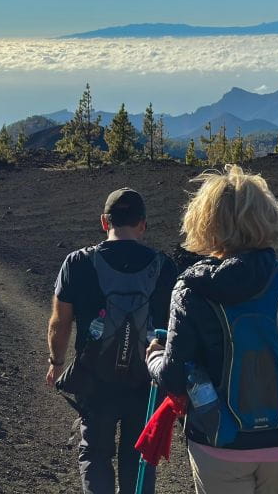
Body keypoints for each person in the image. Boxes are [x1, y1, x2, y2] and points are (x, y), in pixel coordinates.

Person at [146, 165, 278, 494]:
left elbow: (175, 378)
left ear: (205, 222)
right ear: (269, 218)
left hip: (218, 441)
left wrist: (154, 357)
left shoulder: (191, 289)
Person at [45, 188, 177, 494]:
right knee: (140, 457)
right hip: (146, 382)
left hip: (95, 380)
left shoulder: (77, 263)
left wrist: (56, 362)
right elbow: (176, 326)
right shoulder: (164, 266)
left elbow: (59, 322)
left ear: (105, 222)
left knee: (95, 453)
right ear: (142, 224)